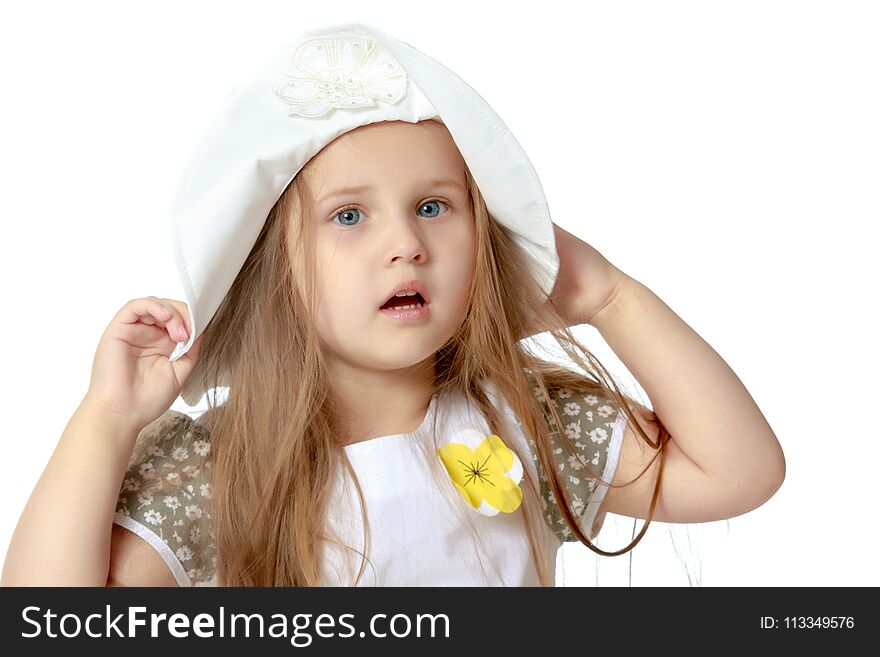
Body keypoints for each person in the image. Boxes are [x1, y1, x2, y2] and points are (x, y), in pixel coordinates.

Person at [1, 22, 785, 587]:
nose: (406, 242)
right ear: (275, 270)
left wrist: (612, 298)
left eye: (436, 207)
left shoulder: (523, 420)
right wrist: (105, 419)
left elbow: (740, 473)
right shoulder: (225, 472)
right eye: (349, 215)